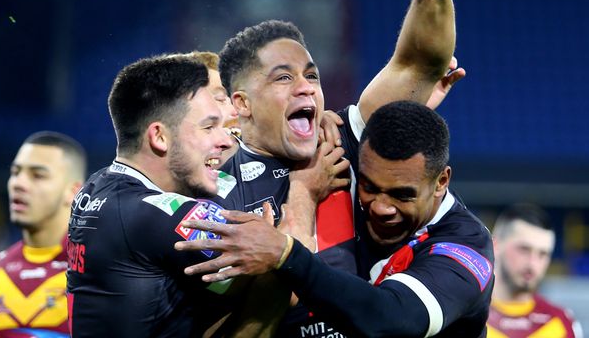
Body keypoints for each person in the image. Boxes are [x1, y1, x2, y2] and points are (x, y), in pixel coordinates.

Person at [211, 0, 462, 336]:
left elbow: (420, 63)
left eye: (311, 75)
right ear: (241, 104)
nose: (306, 86)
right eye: (283, 78)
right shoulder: (213, 188)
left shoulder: (343, 137)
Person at [65, 54, 334, 337]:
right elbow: (289, 275)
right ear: (159, 137)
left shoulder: (97, 187)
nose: (225, 139)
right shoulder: (160, 215)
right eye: (208, 127)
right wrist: (304, 190)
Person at [176, 100, 495, 337]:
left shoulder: (467, 247)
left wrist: (285, 254)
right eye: (371, 187)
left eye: (402, 195)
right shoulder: (344, 181)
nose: (381, 207)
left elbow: (391, 319)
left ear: (441, 181)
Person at [0, 131, 87, 338]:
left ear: (74, 192)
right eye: (15, 172)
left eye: (37, 175)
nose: (18, 184)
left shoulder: (99, 266)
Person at [487, 204, 583, 338]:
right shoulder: (461, 315)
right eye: (524, 249)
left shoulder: (560, 323)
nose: (533, 264)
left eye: (542, 254)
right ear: (495, 246)